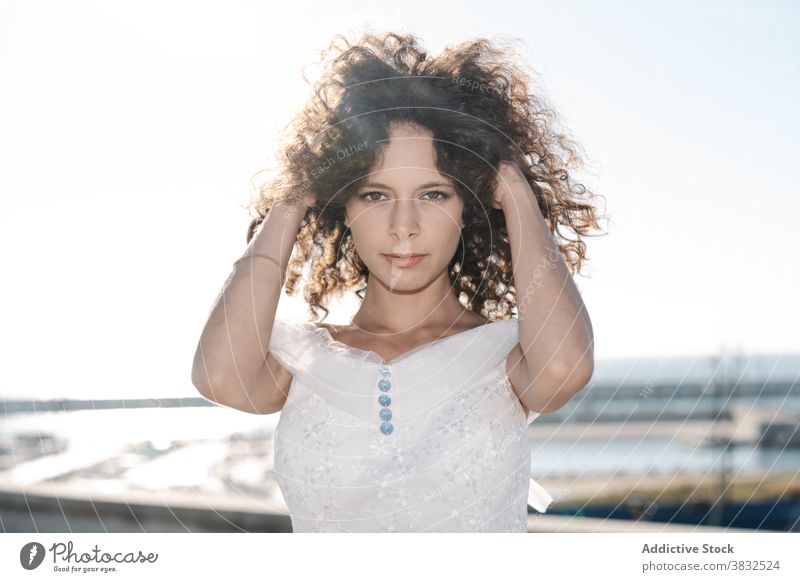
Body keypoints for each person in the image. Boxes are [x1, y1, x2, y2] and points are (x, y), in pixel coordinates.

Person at [192, 31, 604, 532]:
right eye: (374, 195)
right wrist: (294, 194)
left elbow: (565, 366)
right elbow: (219, 376)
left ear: (470, 207)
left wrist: (515, 188)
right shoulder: (301, 361)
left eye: (433, 194)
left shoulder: (507, 356)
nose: (403, 225)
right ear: (341, 205)